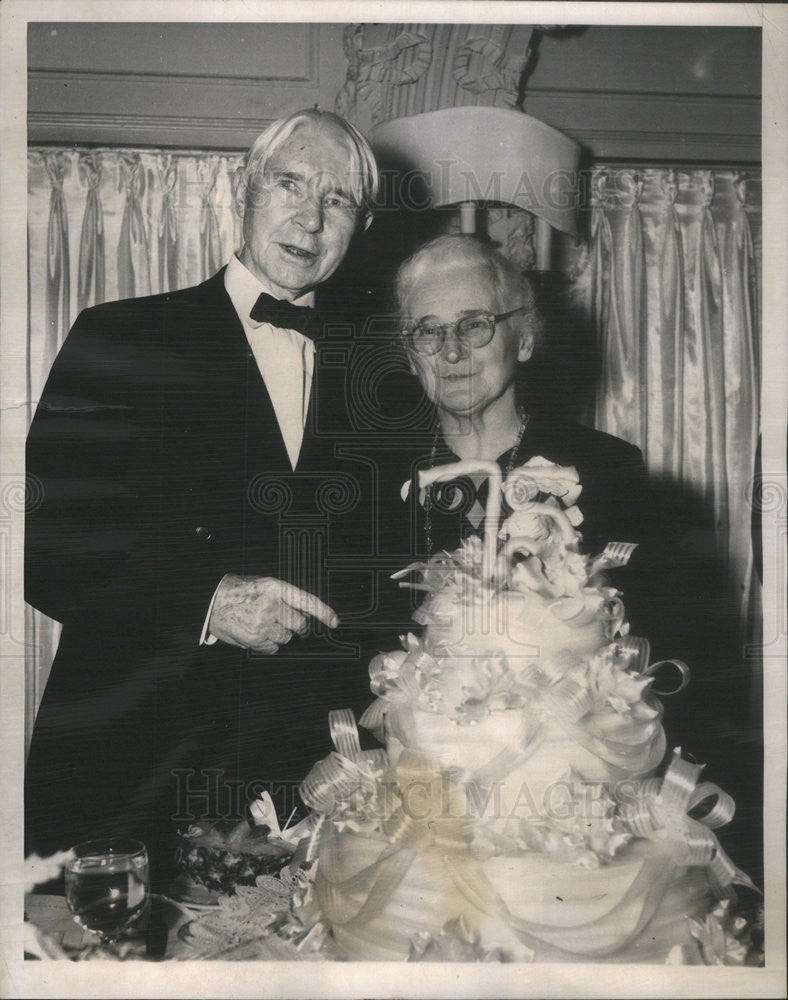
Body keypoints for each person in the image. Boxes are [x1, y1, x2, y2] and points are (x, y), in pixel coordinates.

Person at [24, 109, 381, 886]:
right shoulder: (120, 337)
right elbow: (49, 547)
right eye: (290, 183)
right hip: (130, 772)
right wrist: (209, 600)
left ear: (362, 225)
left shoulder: (379, 378)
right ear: (242, 191)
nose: (311, 218)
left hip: (312, 791)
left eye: (340, 199)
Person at [390, 234, 651, 585]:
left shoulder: (607, 468)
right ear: (410, 356)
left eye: (474, 325)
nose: (451, 351)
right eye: (428, 330)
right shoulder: (375, 478)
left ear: (524, 341)